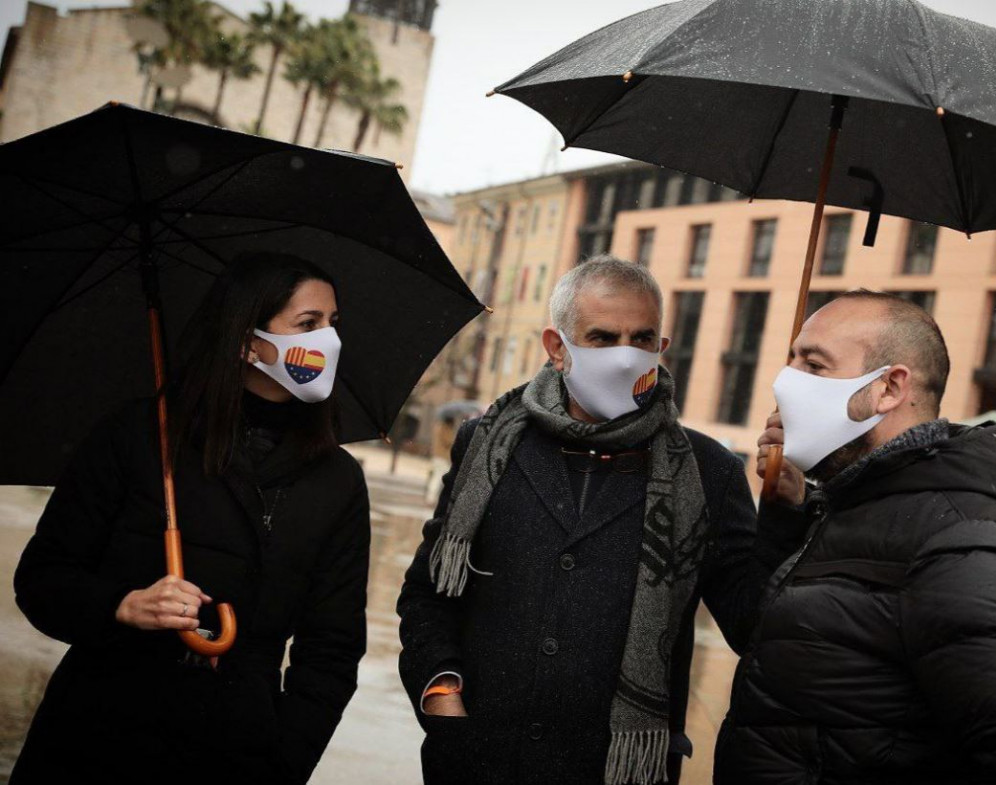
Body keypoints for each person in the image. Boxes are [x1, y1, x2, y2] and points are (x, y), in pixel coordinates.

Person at [397, 256, 800, 785]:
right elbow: (429, 594)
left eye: (642, 337)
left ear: (662, 347)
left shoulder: (709, 471)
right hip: (477, 758)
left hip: (617, 771)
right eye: (603, 338)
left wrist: (785, 513)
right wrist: (442, 696)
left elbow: (753, 627)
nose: (625, 356)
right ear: (557, 347)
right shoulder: (489, 445)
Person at [12, 253, 370, 784]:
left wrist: (280, 760)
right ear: (248, 342)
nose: (328, 341)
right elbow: (42, 579)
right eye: (307, 324)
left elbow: (332, 650)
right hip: (94, 736)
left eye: (332, 324)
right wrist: (123, 605)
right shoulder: (137, 437)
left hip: (233, 750)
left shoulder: (336, 479)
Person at [714, 290, 996, 784]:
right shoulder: (852, 503)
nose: (786, 382)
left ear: (889, 387)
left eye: (814, 365)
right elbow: (778, 648)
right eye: (792, 360)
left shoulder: (958, 546)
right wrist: (788, 513)